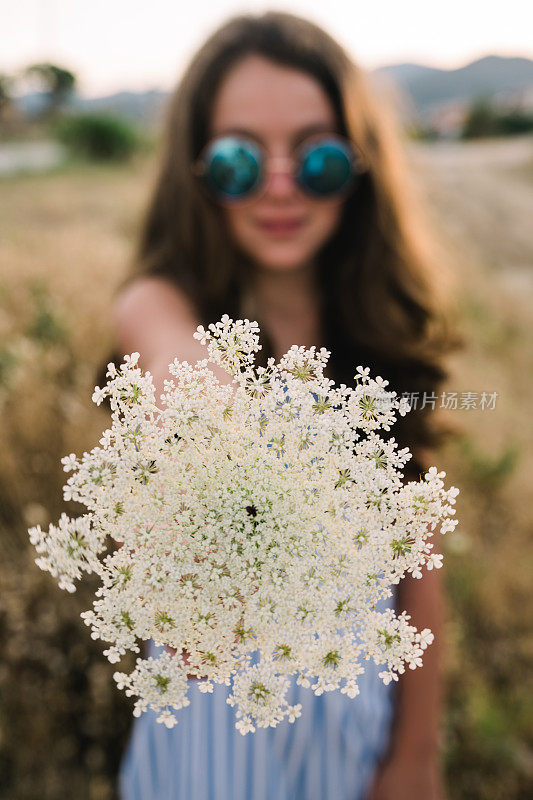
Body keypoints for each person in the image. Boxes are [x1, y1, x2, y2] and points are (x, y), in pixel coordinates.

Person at [112, 11, 460, 800]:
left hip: (349, 751)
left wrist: (413, 759)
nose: (278, 184)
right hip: (202, 767)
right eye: (238, 158)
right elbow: (170, 359)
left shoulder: (382, 355)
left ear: (360, 166)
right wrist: (213, 446)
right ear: (196, 170)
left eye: (317, 158)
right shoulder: (165, 307)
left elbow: (418, 574)